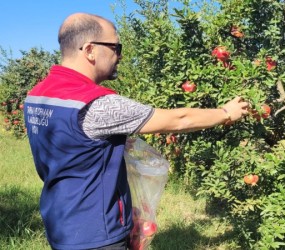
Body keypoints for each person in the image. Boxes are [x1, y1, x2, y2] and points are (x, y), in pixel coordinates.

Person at [23, 12, 249, 250]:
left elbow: (72, 142)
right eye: (115, 47)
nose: (119, 56)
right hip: (98, 232)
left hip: (60, 221)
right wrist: (225, 113)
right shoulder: (96, 103)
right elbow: (177, 119)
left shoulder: (37, 95)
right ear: (89, 50)